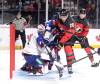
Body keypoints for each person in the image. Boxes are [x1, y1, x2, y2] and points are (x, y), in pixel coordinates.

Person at [44, 9, 76, 74]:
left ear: (67, 15)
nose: (63, 18)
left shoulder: (71, 22)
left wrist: (61, 43)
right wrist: (47, 31)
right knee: (54, 50)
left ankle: (70, 66)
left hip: (68, 38)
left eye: (64, 16)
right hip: (59, 35)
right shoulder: (57, 18)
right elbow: (50, 23)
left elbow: (68, 35)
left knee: (68, 50)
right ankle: (52, 63)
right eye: (61, 16)